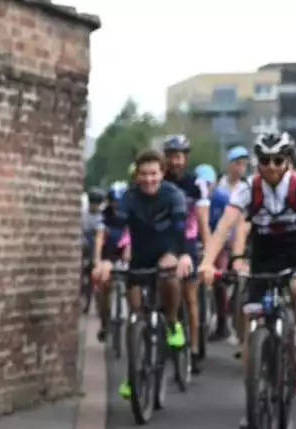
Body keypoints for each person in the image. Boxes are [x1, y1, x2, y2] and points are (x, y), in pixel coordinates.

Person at [200, 131, 296, 429]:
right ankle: (253, 397)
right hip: (262, 258)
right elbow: (224, 227)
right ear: (257, 163)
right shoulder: (249, 189)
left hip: (294, 254)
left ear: (287, 160)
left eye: (278, 160)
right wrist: (207, 262)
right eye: (265, 161)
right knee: (252, 321)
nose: (272, 166)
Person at [92, 148, 193, 400]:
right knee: (135, 317)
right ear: (137, 176)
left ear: (162, 173)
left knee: (169, 277)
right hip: (140, 256)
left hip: (168, 251)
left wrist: (182, 255)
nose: (149, 179)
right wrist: (105, 260)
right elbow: (116, 228)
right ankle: (134, 374)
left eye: (154, 174)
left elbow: (181, 229)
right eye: (144, 174)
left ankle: (172, 324)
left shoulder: (174, 196)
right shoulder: (129, 197)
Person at [162, 135, 212, 370]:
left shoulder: (196, 184)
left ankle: (192, 349)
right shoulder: (159, 180)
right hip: (165, 241)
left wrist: (209, 253)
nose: (176, 161)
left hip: (189, 242)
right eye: (172, 156)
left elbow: (203, 220)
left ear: (186, 158)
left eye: (180, 156)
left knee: (190, 297)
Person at [208, 145, 250, 342]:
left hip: (240, 241)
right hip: (222, 239)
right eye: (237, 163)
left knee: (241, 279)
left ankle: (239, 321)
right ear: (229, 165)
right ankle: (222, 323)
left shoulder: (248, 187)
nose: (240, 168)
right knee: (220, 280)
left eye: (243, 164)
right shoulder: (219, 187)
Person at [95, 181, 131, 341]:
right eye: (114, 202)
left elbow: (132, 236)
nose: (117, 206)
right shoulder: (104, 215)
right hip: (108, 255)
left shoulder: (131, 214)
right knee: (102, 284)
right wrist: (97, 260)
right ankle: (104, 322)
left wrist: (129, 250)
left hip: (126, 254)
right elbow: (99, 237)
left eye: (120, 202)